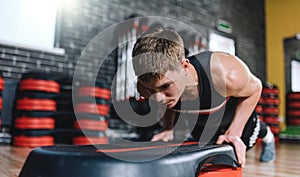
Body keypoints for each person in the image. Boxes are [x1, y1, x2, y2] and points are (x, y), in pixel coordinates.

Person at [131, 28, 275, 167]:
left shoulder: (225, 75)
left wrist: (234, 132)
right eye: (151, 90)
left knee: (237, 149)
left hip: (233, 120)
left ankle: (268, 136)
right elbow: (166, 103)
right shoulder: (144, 87)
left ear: (184, 66)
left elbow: (256, 88)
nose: (158, 99)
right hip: (201, 125)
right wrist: (168, 129)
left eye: (165, 86)